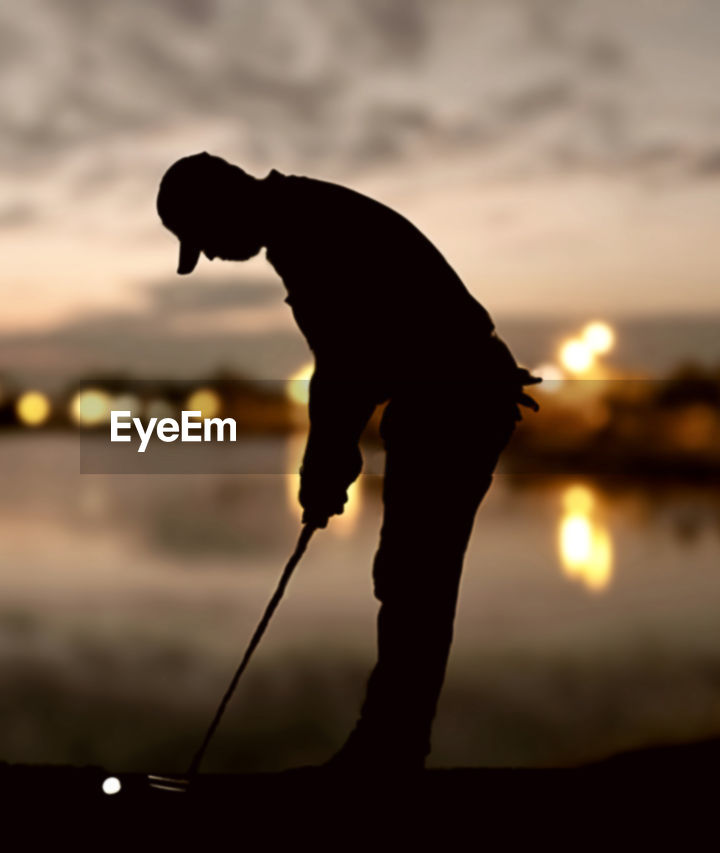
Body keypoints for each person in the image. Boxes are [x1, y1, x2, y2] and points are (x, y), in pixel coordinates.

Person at [156, 152, 540, 771]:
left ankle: (389, 752)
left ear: (224, 203)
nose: (218, 255)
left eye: (209, 240)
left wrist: (323, 464)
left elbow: (348, 365)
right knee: (411, 575)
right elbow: (353, 360)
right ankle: (391, 743)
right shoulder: (298, 220)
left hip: (455, 399)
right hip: (445, 396)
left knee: (414, 574)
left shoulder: (309, 229)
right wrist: (328, 459)